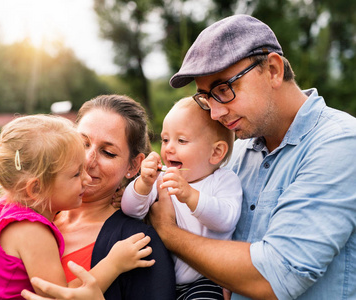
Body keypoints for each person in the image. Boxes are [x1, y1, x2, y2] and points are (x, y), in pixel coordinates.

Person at [149, 14, 356, 300]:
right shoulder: (237, 154)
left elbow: (277, 276)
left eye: (224, 89)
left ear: (272, 70)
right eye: (206, 97)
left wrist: (169, 234)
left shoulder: (340, 143)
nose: (216, 113)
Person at [0, 114, 156, 300]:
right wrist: (113, 263)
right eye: (76, 174)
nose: (86, 177)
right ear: (36, 188)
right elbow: (59, 296)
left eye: (108, 152)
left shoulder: (9, 207)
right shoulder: (32, 231)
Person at [53, 94, 177, 299]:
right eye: (83, 143)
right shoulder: (34, 213)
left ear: (133, 166)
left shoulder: (138, 244)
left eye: (108, 152)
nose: (87, 160)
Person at [121, 97, 242, 299]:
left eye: (182, 140)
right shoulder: (161, 180)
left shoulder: (224, 180)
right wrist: (143, 183)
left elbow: (226, 220)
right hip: (162, 277)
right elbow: (130, 209)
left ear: (216, 152)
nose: (168, 148)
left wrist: (190, 196)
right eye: (165, 139)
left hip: (207, 278)